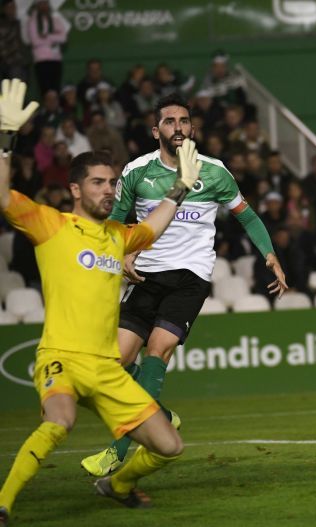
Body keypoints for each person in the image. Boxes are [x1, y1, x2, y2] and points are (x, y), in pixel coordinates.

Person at [0, 78, 202, 524]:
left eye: (112, 183)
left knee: (169, 446)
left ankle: (118, 484)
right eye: (97, 183)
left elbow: (153, 227)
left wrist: (181, 187)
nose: (108, 190)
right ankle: (3, 503)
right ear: (75, 190)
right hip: (63, 358)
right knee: (60, 421)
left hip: (107, 368)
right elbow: (2, 198)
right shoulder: (51, 225)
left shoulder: (117, 236)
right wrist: (5, 142)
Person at [79, 93, 289, 477]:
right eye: (170, 121)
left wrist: (269, 254)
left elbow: (247, 216)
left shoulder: (215, 171)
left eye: (184, 121)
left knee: (157, 352)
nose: (179, 127)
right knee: (113, 365)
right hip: (146, 276)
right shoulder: (137, 171)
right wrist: (124, 252)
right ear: (155, 130)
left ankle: (116, 451)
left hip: (190, 278)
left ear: (192, 128)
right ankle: (159, 414)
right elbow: (116, 222)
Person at [26, 0, 67, 95]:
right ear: (37, 6)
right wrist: (55, 37)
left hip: (56, 58)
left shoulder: (55, 20)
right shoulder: (32, 22)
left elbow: (63, 38)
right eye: (41, 4)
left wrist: (47, 36)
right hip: (41, 60)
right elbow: (35, 41)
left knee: (56, 89)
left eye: (45, 3)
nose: (44, 6)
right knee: (45, 90)